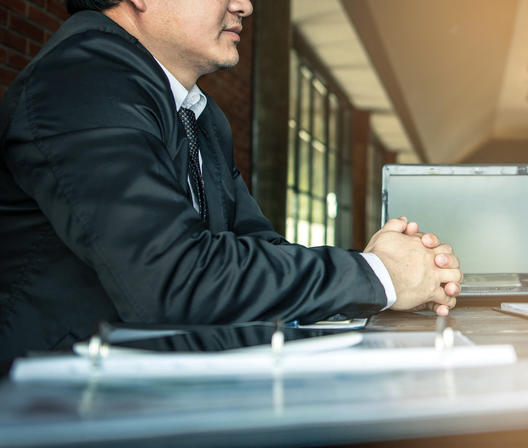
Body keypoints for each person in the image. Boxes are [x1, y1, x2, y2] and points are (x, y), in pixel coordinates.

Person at [0, 0, 462, 359]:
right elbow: (173, 278)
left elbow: (257, 248)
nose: (246, 6)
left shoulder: (198, 114)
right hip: (56, 423)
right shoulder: (81, 83)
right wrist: (376, 276)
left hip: (148, 394)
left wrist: (381, 267)